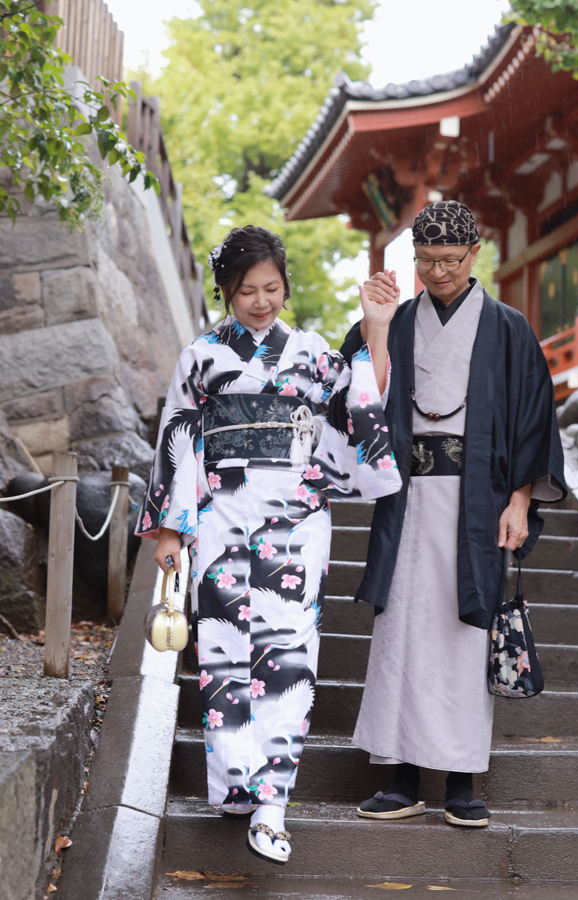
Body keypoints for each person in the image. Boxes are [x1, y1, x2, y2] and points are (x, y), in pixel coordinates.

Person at [136, 225, 401, 864]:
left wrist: (378, 330)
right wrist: (170, 529)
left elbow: (361, 400)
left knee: (288, 656)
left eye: (272, 288)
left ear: (286, 286)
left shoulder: (311, 354)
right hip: (222, 514)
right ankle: (239, 784)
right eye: (248, 291)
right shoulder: (201, 356)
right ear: (227, 292)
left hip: (298, 517)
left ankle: (274, 802)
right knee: (224, 649)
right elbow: (178, 434)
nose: (262, 301)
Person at [340, 201, 566, 827]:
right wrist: (375, 326)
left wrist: (520, 500)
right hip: (407, 498)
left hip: (479, 501)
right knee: (405, 629)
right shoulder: (397, 318)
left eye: (448, 260)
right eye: (425, 261)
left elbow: (533, 417)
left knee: (467, 634)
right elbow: (355, 399)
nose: (437, 272)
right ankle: (405, 777)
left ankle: (464, 779)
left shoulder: (508, 327)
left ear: (474, 256)